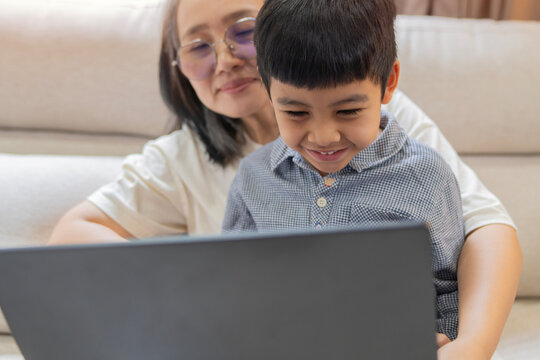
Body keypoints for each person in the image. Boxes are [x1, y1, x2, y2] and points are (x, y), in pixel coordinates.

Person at [48, 0, 521, 358]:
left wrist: (471, 343)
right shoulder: (182, 159)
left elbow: (484, 229)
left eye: (243, 32)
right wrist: (195, 290)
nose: (225, 58)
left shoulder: (377, 118)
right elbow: (74, 234)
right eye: (197, 46)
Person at [222, 0, 464, 343]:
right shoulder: (253, 178)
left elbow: (450, 288)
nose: (323, 137)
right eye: (296, 113)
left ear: (389, 82)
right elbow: (232, 283)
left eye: (348, 111)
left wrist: (448, 341)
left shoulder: (427, 176)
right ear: (268, 90)